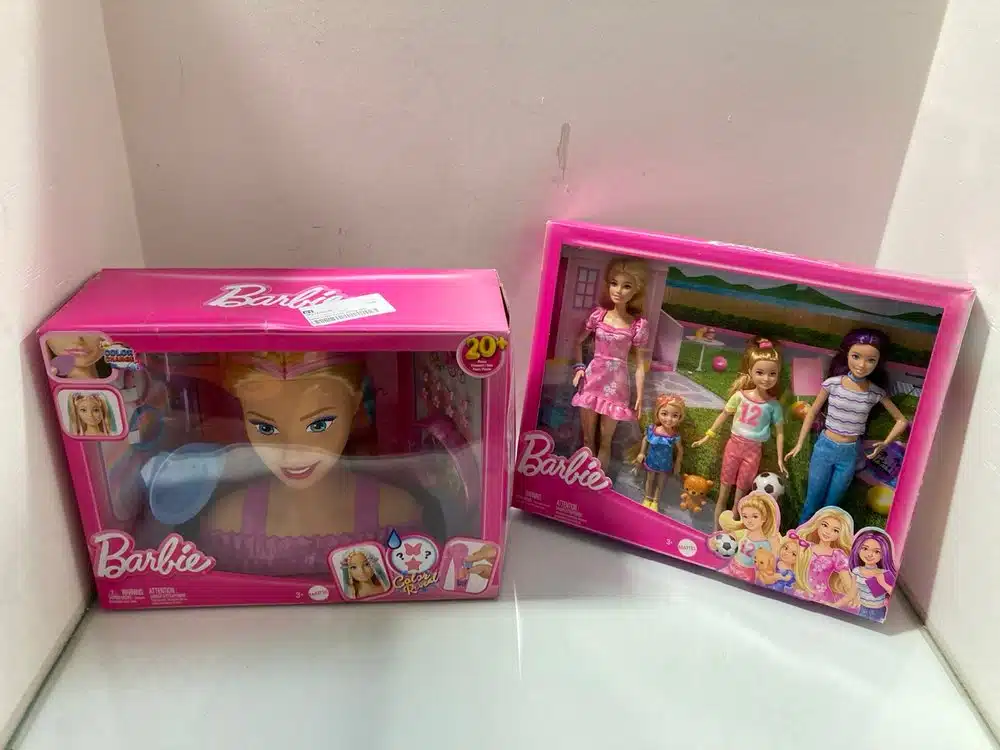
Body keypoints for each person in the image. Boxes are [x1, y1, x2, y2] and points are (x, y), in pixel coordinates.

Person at [571, 257, 650, 470]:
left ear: (636, 291)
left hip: (617, 384)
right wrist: (579, 368)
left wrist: (640, 395)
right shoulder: (598, 315)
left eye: (627, 286)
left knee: (606, 441)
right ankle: (583, 479)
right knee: (588, 439)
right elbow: (578, 342)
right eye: (614, 283)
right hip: (592, 378)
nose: (619, 291)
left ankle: (598, 481)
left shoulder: (637, 325)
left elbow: (640, 365)